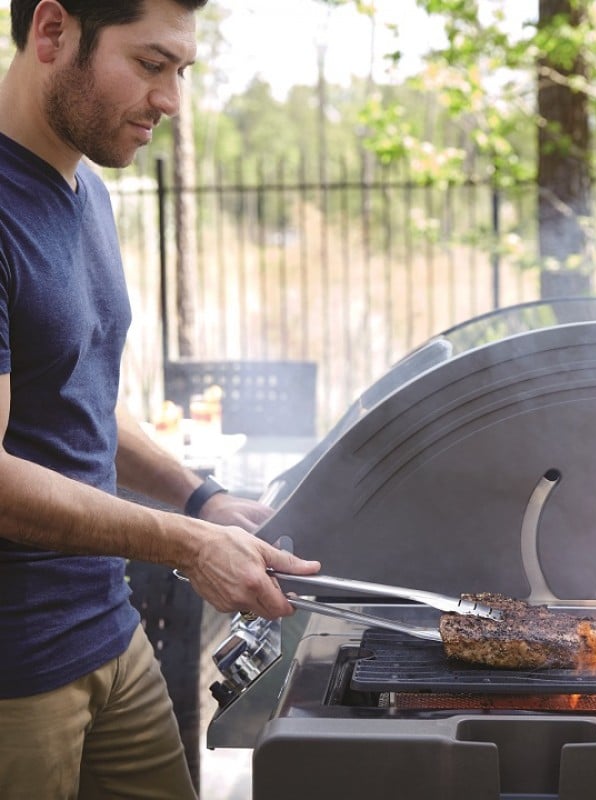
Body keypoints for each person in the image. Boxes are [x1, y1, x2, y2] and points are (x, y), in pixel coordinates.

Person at [0, 1, 321, 798]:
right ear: (52, 32)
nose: (171, 100)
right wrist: (189, 545)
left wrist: (203, 500)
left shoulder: (85, 192)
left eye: (181, 71)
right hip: (17, 671)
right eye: (150, 65)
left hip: (108, 629)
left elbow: (81, 398)